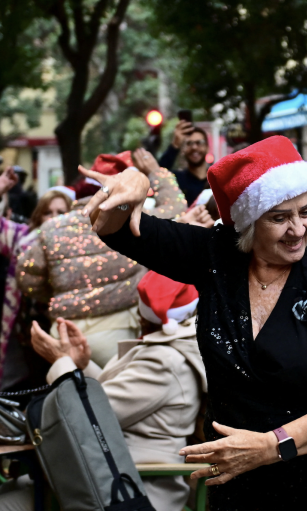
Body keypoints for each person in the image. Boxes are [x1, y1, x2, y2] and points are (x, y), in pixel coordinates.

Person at [85, 135, 307, 510]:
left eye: (305, 211)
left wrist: (271, 445)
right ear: (249, 221)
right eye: (279, 218)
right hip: (238, 488)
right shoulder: (216, 256)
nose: (299, 229)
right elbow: (115, 230)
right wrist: (134, 188)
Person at [26, 271, 207, 510]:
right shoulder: (165, 348)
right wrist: (81, 365)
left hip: (129, 490)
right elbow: (112, 400)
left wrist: (61, 362)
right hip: (113, 475)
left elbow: (86, 417)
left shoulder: (165, 360)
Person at [16, 149, 186, 366]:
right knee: (113, 396)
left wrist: (58, 291)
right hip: (116, 333)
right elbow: (176, 209)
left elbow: (26, 275)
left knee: (68, 393)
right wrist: (155, 172)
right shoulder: (131, 221)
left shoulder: (53, 227)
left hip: (63, 334)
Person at [0, 185, 74, 392]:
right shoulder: (23, 237)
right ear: (39, 215)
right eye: (47, 212)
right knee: (32, 386)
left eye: (61, 212)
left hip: (62, 329)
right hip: (25, 330)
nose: (53, 217)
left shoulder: (78, 245)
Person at [158, 121, 210, 205]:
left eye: (199, 142)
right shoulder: (176, 179)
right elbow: (158, 174)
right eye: (189, 143)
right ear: (182, 150)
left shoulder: (216, 180)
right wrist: (175, 145)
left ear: (207, 147)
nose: (194, 147)